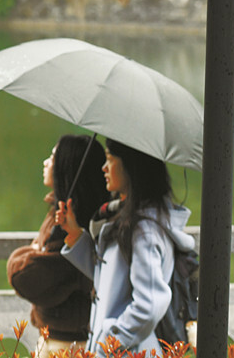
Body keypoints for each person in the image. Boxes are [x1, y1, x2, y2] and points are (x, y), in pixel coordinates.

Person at [55, 138, 197, 355]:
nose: (103, 168)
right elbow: (111, 282)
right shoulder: (128, 218)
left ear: (132, 167)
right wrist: (74, 234)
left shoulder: (145, 231)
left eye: (110, 160)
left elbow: (149, 305)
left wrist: (112, 341)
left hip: (130, 351)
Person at [7, 134, 110, 357]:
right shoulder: (64, 215)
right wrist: (34, 252)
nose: (46, 162)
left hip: (69, 346)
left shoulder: (73, 224)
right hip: (59, 339)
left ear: (66, 168)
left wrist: (31, 253)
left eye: (53, 158)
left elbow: (24, 276)